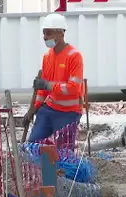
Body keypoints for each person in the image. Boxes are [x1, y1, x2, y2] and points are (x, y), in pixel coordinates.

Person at [24, 13, 84, 146]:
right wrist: (33, 110)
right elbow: (42, 92)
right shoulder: (47, 57)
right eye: (44, 33)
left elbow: (73, 88)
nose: (45, 37)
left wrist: (47, 85)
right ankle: (45, 166)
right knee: (34, 145)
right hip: (49, 109)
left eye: (49, 33)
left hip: (69, 113)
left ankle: (59, 166)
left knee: (64, 152)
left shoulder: (74, 56)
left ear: (61, 33)